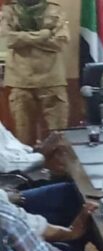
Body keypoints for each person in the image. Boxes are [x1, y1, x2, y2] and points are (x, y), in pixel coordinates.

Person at [0, 0, 69, 146]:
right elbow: (8, 40)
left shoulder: (54, 10)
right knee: (24, 139)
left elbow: (60, 42)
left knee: (58, 138)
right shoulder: (9, 11)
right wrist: (44, 35)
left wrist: (22, 37)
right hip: (20, 80)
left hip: (51, 80)